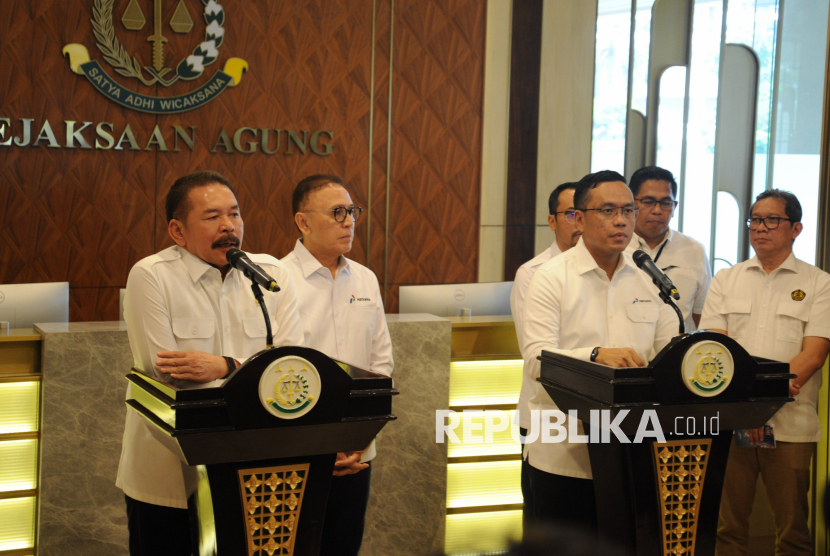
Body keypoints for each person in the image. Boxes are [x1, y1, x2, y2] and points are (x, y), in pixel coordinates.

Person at [115, 171, 304, 555]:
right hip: (168, 476)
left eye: (234, 214)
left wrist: (225, 366)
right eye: (212, 216)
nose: (228, 227)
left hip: (252, 472)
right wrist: (254, 371)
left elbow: (291, 366)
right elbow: (164, 372)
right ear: (178, 230)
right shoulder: (152, 276)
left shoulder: (272, 276)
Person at [521, 170, 677, 528]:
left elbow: (668, 353)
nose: (621, 220)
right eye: (607, 211)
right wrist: (594, 355)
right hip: (564, 454)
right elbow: (536, 359)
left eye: (627, 210)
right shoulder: (552, 276)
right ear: (579, 218)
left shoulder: (648, 277)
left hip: (632, 452)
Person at [699, 189, 830, 556]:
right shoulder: (726, 279)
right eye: (755, 220)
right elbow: (715, 351)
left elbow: (814, 355)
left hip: (789, 424)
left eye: (772, 220)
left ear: (796, 228)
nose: (760, 228)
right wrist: (747, 408)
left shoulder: (820, 283)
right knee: (728, 530)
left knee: (792, 531)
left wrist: (761, 404)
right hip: (733, 421)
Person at [283, 174, 393, 556]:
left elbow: (381, 362)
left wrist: (360, 436)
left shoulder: (364, 278)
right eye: (337, 212)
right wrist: (319, 443)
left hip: (357, 450)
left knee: (343, 547)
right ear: (303, 222)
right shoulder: (277, 281)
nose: (349, 221)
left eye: (352, 212)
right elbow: (278, 372)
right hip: (298, 450)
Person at [510, 181, 580, 525]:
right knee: (544, 523)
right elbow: (539, 354)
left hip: (600, 422)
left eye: (583, 212)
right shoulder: (534, 274)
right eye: (570, 213)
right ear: (552, 221)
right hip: (544, 414)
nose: (578, 221)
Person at [624, 166, 711, 332]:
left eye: (666, 203)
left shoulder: (694, 251)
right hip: (627, 352)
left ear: (674, 206)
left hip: (678, 352)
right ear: (632, 204)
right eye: (649, 202)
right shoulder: (617, 247)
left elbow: (702, 316)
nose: (657, 210)